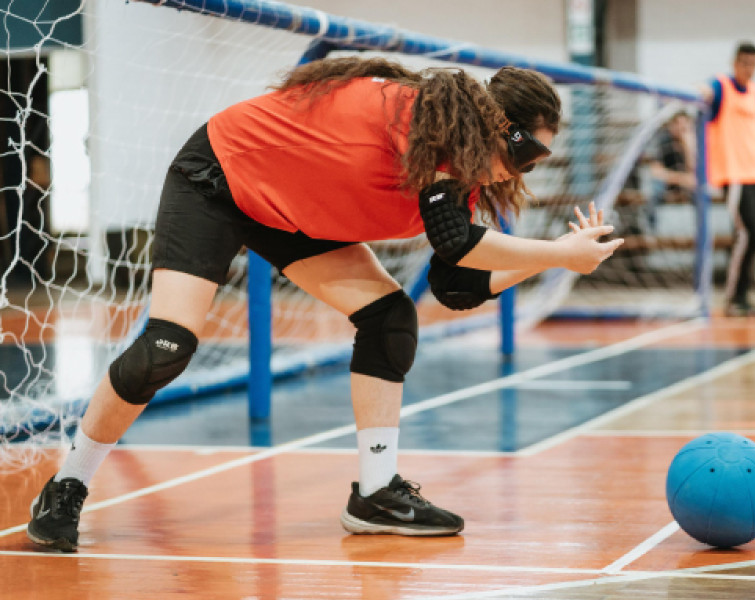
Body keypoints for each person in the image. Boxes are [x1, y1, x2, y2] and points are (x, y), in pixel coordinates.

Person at [26, 57, 624, 551]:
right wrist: (557, 251)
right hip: (218, 178)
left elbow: (456, 284)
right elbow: (455, 243)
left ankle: (376, 491)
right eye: (526, 155)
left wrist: (558, 258)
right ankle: (67, 485)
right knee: (166, 347)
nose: (521, 170)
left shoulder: (457, 171)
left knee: (391, 317)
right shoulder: (415, 122)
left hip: (292, 212)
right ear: (499, 129)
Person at [700, 42, 755, 317]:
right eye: (744, 63)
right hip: (735, 174)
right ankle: (734, 298)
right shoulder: (721, 87)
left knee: (754, 237)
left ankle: (742, 296)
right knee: (748, 233)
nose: (748, 69)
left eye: (753, 64)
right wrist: (700, 92)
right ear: (735, 63)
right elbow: (705, 91)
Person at [647, 111, 696, 230]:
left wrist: (688, 145)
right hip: (667, 185)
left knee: (702, 190)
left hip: (688, 187)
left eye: (684, 125)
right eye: (677, 124)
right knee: (654, 189)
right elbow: (656, 172)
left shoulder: (694, 142)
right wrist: (681, 179)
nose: (681, 128)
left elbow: (695, 172)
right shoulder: (663, 141)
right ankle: (651, 230)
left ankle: (699, 230)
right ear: (671, 125)